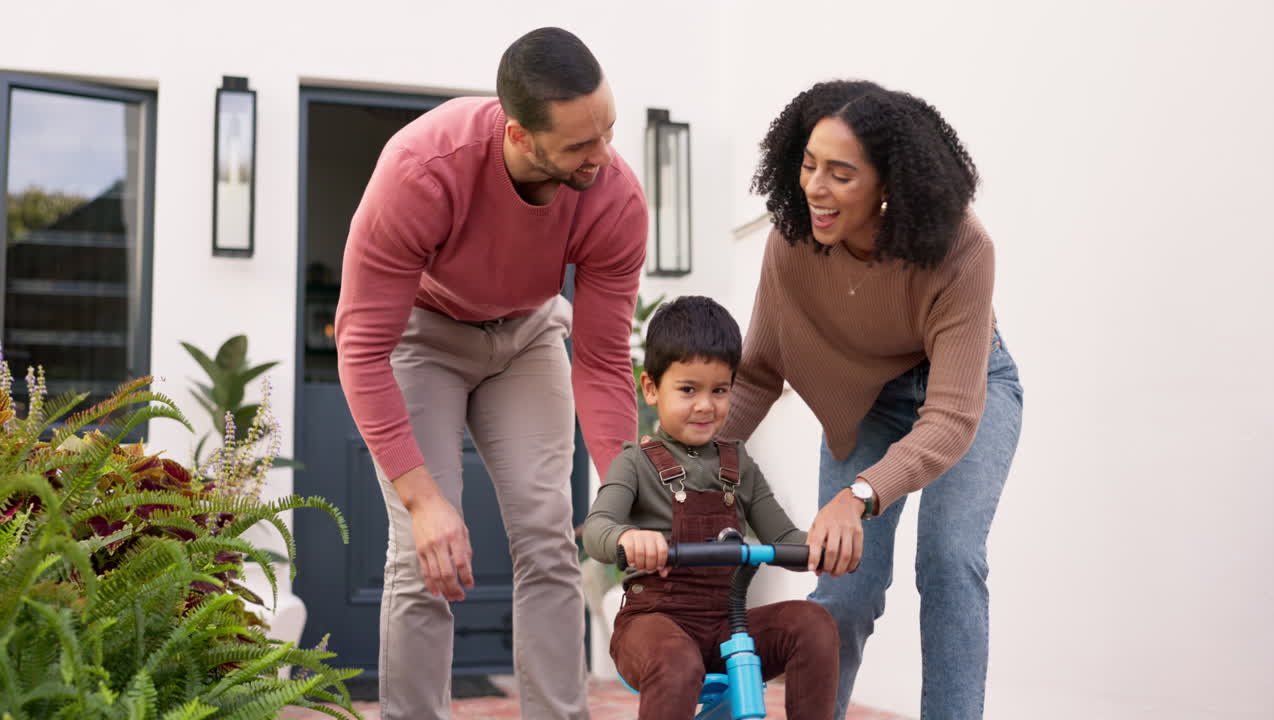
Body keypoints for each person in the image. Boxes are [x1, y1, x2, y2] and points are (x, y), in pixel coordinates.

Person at [334, 27, 647, 720]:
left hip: (530, 333)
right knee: (427, 557)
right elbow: (360, 348)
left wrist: (627, 490)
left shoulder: (615, 197)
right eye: (579, 146)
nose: (603, 158)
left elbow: (599, 362)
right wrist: (422, 501)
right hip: (424, 337)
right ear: (520, 136)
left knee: (546, 534)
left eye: (608, 131)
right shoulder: (423, 168)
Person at [719, 80, 1024, 719]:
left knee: (949, 560)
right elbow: (756, 375)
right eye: (807, 165)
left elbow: (950, 417)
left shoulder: (963, 249)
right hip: (868, 403)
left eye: (840, 173)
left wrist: (858, 496)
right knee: (846, 586)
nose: (814, 188)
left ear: (887, 185)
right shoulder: (792, 242)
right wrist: (676, 466)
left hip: (966, 390)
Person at [583, 295, 839, 720]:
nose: (706, 405)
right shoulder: (634, 463)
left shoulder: (738, 465)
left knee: (813, 625)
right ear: (651, 389)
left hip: (726, 622)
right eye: (688, 389)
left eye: (719, 390)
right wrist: (628, 537)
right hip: (652, 623)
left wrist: (819, 548)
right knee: (677, 660)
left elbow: (784, 537)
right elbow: (597, 530)